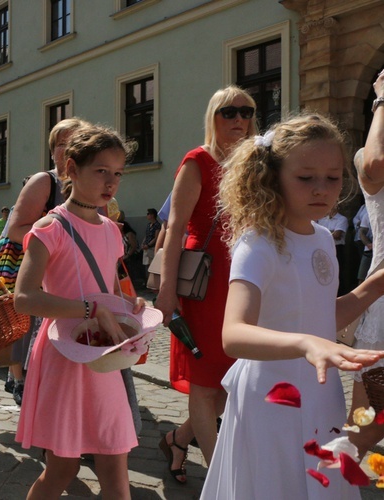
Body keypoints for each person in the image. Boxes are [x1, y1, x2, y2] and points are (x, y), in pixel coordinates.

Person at [201, 113, 384, 499]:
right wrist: (306, 344)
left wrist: (374, 287)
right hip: (272, 396)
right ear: (274, 177)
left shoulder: (321, 239)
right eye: (306, 178)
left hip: (320, 393)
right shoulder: (258, 244)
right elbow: (234, 334)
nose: (322, 188)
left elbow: (320, 316)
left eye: (332, 178)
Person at [14, 124, 145, 500]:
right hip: (65, 355)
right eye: (101, 171)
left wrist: (129, 305)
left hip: (104, 354)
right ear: (71, 168)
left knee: (115, 466)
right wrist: (89, 308)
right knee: (62, 469)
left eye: (118, 173)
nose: (111, 182)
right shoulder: (49, 228)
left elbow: (111, 285)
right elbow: (24, 298)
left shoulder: (111, 230)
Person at [154, 85, 258, 481]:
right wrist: (165, 293)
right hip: (203, 282)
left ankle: (178, 439)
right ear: (213, 117)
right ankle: (222, 477)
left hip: (244, 278)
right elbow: (176, 227)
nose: (238, 120)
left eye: (246, 112)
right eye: (228, 112)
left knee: (232, 380)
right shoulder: (197, 161)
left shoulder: (254, 164)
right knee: (205, 381)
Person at [2, 117, 88, 405]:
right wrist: (60, 236)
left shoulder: (89, 184)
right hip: (43, 281)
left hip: (76, 284)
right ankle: (25, 387)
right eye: (61, 145)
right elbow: (14, 230)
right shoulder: (45, 181)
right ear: (52, 151)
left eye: (74, 144)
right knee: (41, 354)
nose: (67, 150)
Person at [347, 67, 384, 458]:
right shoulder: (368, 160)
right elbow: (374, 164)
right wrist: (382, 98)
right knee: (366, 427)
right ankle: (330, 479)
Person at [316, 207, 348, 295]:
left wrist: (321, 233)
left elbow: (337, 234)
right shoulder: (320, 219)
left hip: (337, 249)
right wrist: (330, 232)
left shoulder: (342, 219)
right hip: (322, 249)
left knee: (337, 274)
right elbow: (314, 231)